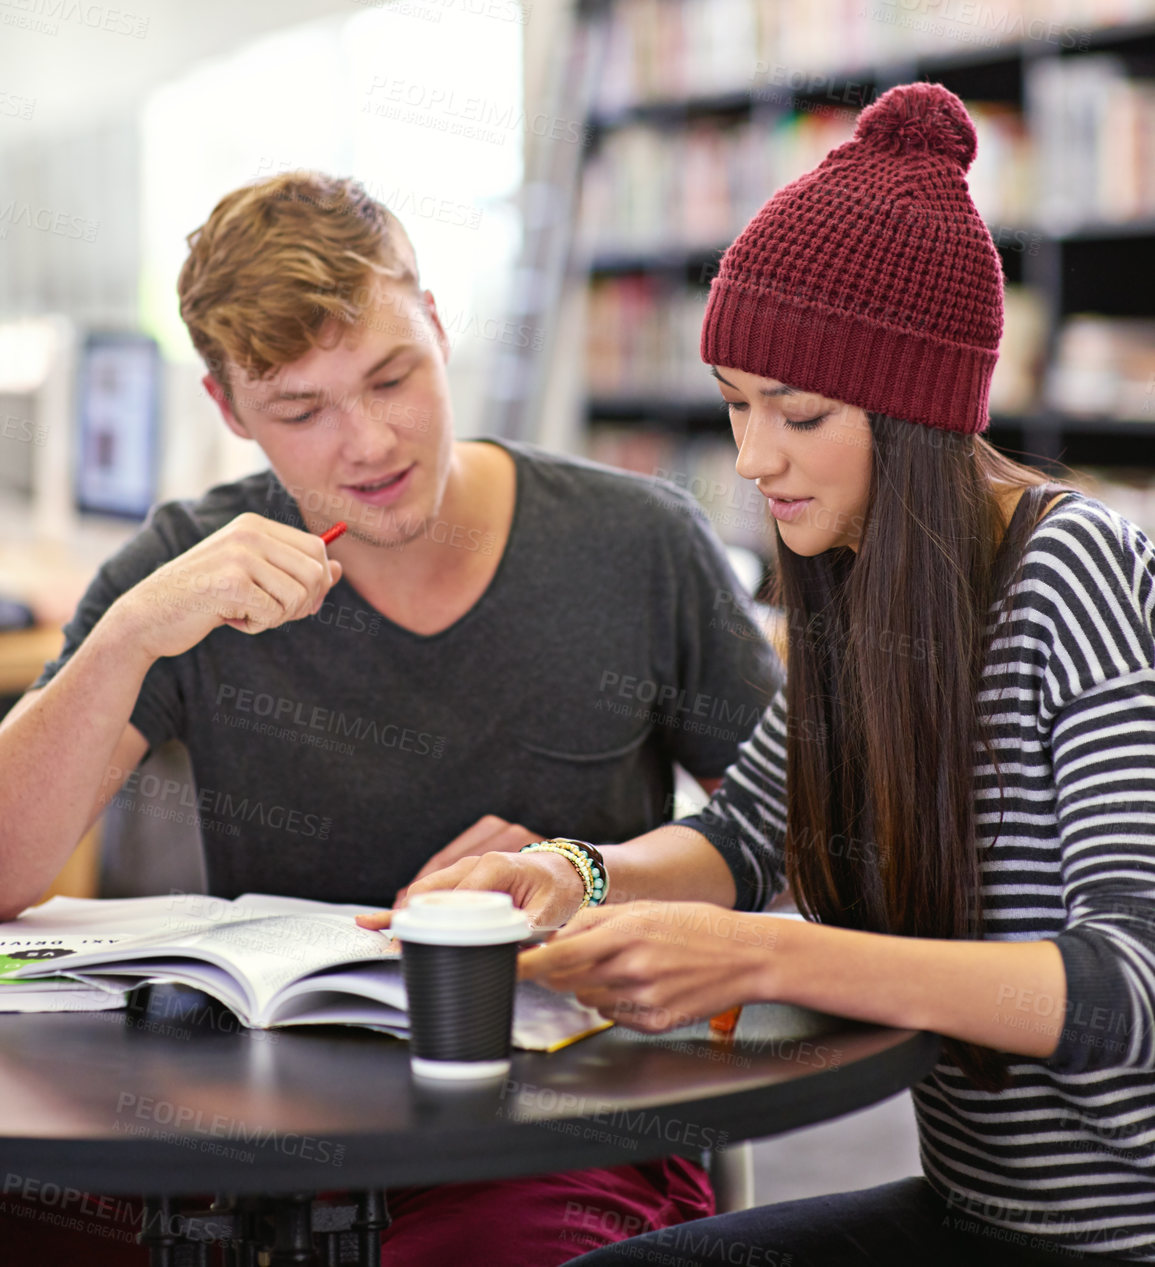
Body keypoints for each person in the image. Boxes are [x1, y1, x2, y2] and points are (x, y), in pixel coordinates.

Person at [374, 84, 1155, 1265]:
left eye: (798, 414)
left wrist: (758, 951)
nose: (751, 458)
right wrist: (571, 872)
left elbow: (1128, 990)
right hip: (979, 1213)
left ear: (917, 417)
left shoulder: (1075, 570)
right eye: (737, 407)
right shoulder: (854, 579)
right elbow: (743, 838)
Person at [0, 171, 783, 1264]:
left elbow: (796, 827)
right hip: (262, 1128)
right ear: (228, 411)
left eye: (391, 376)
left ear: (440, 330)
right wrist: (130, 634)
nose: (367, 441)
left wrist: (588, 866)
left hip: (563, 1119)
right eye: (302, 411)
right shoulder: (192, 566)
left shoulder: (640, 543)